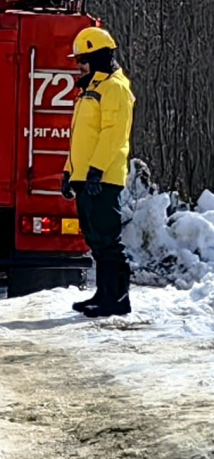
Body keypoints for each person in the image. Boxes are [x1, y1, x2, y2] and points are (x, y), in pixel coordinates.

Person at [61, 26, 135, 318]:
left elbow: (113, 134)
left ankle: (117, 299)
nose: (79, 65)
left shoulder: (115, 88)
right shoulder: (91, 89)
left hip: (103, 178)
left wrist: (95, 170)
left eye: (82, 59)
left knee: (108, 239)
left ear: (98, 56)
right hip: (86, 177)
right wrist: (70, 172)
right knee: (95, 239)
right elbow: (80, 136)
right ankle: (104, 294)